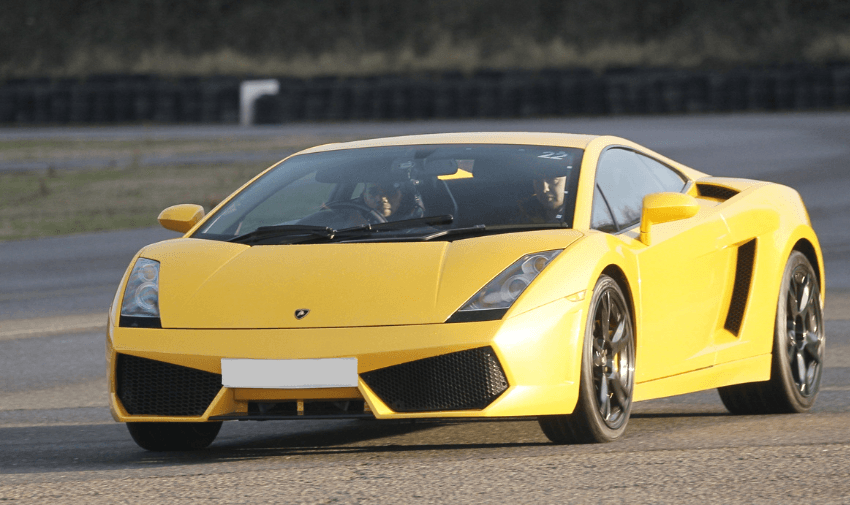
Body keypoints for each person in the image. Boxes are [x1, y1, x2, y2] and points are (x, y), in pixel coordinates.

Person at [361, 181, 425, 222]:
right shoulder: (353, 220)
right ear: (364, 195)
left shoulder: (418, 224)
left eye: (390, 191)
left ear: (402, 195)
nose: (380, 199)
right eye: (373, 192)